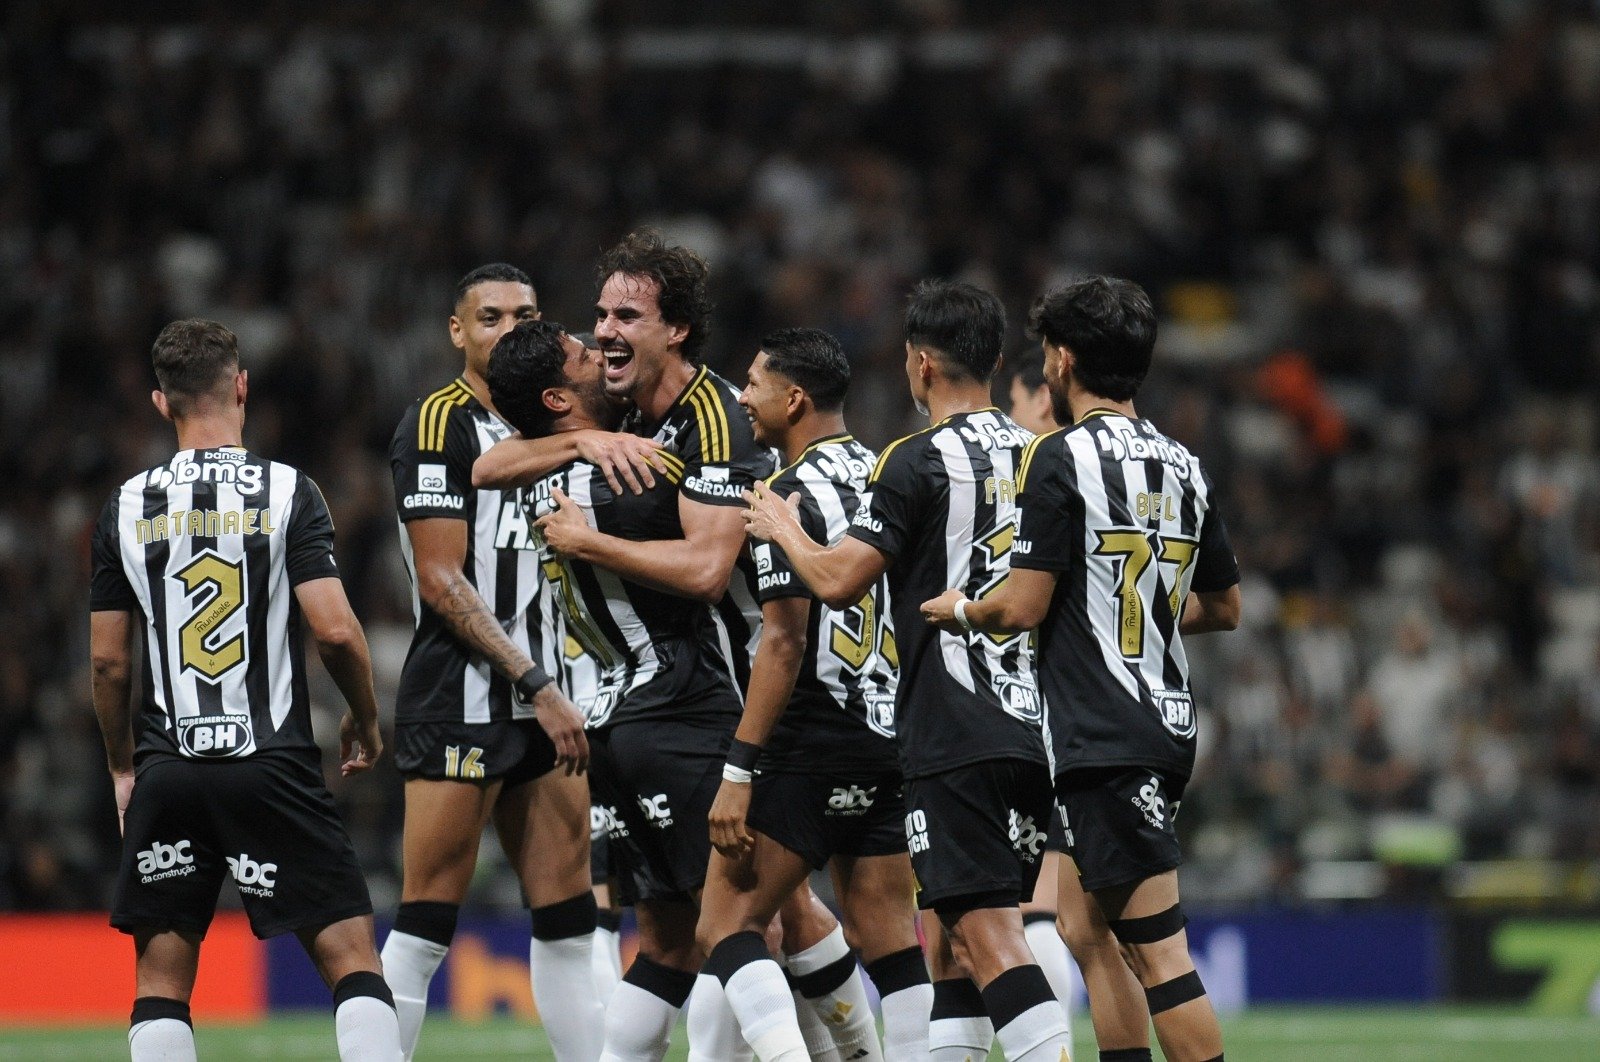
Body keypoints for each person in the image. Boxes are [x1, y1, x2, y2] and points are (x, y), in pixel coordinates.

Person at [745, 280, 1073, 1062]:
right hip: (1034, 729)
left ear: (921, 364)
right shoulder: (1044, 457)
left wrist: (785, 527)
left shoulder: (914, 459)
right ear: (993, 357)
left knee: (989, 938)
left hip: (954, 732)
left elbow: (837, 582)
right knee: (953, 950)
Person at [921, 276, 1242, 1062]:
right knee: (1084, 927)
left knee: (1160, 955)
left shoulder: (1057, 459)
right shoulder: (1184, 464)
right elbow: (1223, 605)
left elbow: (1022, 606)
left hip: (1105, 735)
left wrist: (961, 608)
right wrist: (1129, 609)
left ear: (1063, 360)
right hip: (1161, 719)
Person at [88, 319, 402, 1061]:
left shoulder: (125, 506)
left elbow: (107, 664)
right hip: (272, 760)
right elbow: (335, 631)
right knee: (352, 958)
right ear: (241, 386)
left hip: (169, 764)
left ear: (161, 402)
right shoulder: (290, 491)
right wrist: (365, 716)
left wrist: (123, 766)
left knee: (162, 981)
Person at [380, 264, 602, 1062]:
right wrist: (534, 681)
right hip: (467, 692)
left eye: (527, 315)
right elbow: (440, 578)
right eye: (491, 317)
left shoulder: (557, 420)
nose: (511, 329)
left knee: (571, 920)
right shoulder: (437, 423)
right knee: (425, 923)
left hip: (554, 700)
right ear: (457, 331)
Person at [696, 327, 934, 1062]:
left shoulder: (784, 495)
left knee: (725, 925)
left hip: (812, 733)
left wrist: (739, 770)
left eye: (753, 384)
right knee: (887, 938)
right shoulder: (891, 472)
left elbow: (784, 640)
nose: (742, 397)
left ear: (794, 398)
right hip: (892, 731)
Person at [1001, 343, 1084, 1025]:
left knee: (1034, 908)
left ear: (1040, 397)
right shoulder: (1096, 469)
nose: (1008, 415)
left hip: (1031, 702)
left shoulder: (1041, 472)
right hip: (1083, 704)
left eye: (1013, 401)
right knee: (1067, 913)